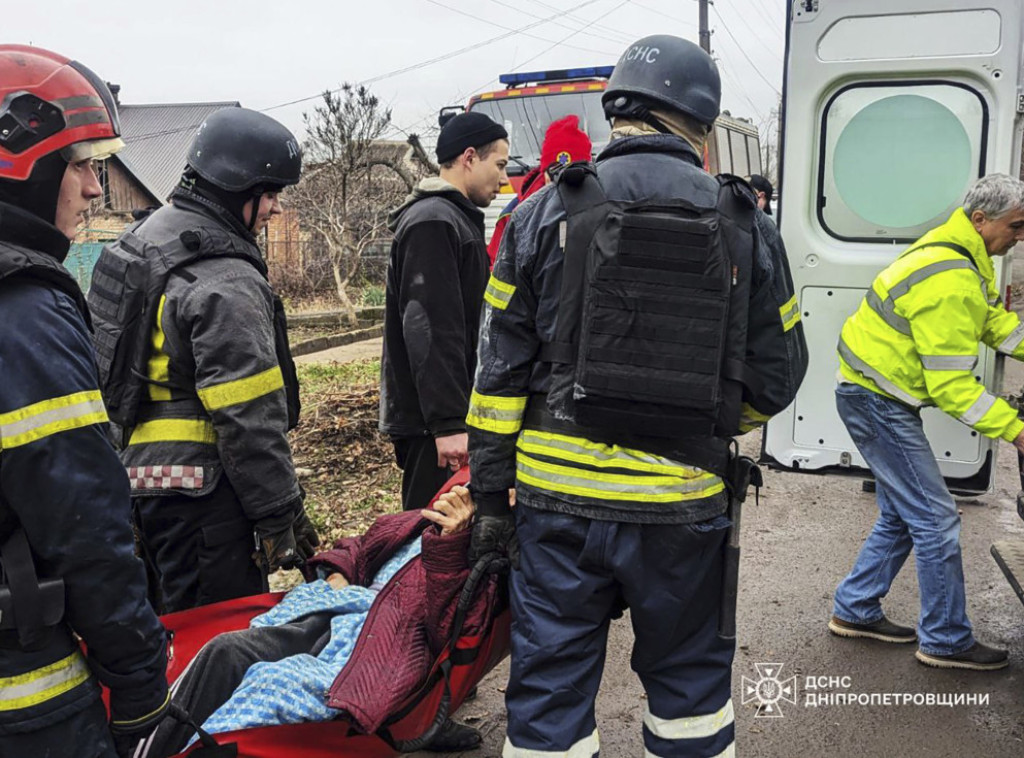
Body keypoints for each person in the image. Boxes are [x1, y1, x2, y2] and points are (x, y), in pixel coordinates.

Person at [466, 34, 806, 758]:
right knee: (689, 694)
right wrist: (712, 422)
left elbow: (495, 373)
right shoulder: (750, 225)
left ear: (614, 109)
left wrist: (493, 501)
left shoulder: (537, 214)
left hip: (555, 510)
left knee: (549, 691)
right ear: (701, 125)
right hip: (681, 504)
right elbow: (779, 376)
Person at [0, 45, 169, 758]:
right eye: (80, 164)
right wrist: (137, 681)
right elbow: (80, 513)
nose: (96, 190)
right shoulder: (23, 310)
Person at [89, 107, 319, 614]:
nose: (275, 210)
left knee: (167, 628)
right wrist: (281, 513)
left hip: (137, 490)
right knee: (215, 641)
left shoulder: (142, 240)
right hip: (205, 499)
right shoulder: (225, 280)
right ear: (242, 188)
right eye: (272, 194)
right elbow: (248, 416)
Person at [830, 173, 1024, 671]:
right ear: (981, 220)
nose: (1020, 236)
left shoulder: (958, 253)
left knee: (904, 513)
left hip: (870, 392)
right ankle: (945, 638)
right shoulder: (951, 274)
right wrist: (1018, 430)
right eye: (1016, 226)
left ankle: (855, 608)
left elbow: (986, 322)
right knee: (936, 520)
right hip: (877, 401)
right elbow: (953, 388)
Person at [138, 486, 494, 757]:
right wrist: (338, 571)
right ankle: (151, 748)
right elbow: (358, 546)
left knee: (274, 683)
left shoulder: (481, 559)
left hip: (384, 645)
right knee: (224, 648)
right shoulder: (416, 519)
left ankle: (202, 749)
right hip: (336, 609)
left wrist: (451, 544)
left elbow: (447, 631)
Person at [380, 111, 510, 511]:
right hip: (436, 432)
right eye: (500, 164)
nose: (504, 179)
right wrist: (449, 424)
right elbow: (431, 328)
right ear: (470, 157)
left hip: (442, 423)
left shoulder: (451, 219)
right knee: (432, 546)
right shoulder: (433, 222)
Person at [486, 114, 593, 265]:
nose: (562, 181)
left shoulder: (603, 207)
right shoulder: (514, 215)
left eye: (572, 173)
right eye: (555, 173)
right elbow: (496, 269)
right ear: (543, 172)